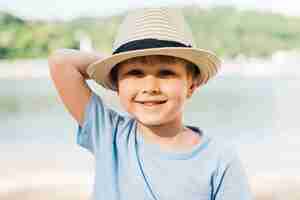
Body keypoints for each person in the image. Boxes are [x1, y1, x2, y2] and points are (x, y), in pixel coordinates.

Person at [48, 7, 253, 200]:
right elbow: (60, 63)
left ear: (191, 86)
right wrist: (115, 74)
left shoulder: (219, 160)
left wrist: (126, 75)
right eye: (135, 73)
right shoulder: (109, 135)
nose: (150, 87)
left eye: (166, 73)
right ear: (116, 84)